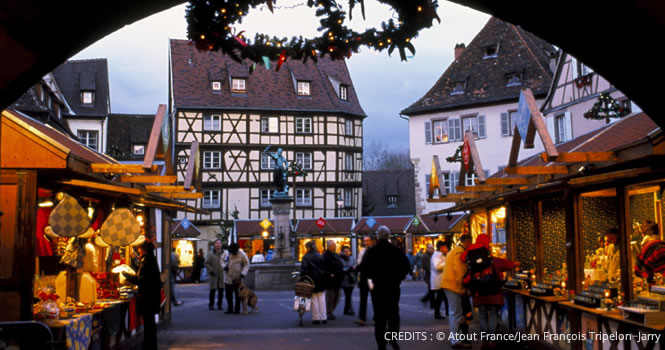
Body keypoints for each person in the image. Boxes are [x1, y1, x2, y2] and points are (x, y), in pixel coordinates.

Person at [463, 234, 519, 349]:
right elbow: (507, 264)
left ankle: (485, 341)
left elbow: (463, 262)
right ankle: (492, 341)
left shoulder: (472, 259)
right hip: (494, 292)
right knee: (493, 315)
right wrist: (515, 264)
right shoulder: (492, 260)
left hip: (480, 293)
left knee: (483, 316)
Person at [359, 225, 411, 350]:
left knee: (379, 317)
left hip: (378, 287)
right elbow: (406, 266)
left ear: (377, 236)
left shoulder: (372, 251)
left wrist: (371, 278)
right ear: (388, 236)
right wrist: (398, 278)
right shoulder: (396, 250)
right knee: (393, 314)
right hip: (393, 286)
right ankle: (393, 339)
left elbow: (364, 268)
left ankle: (381, 344)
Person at [122, 241, 161, 350]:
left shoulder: (147, 262)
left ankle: (149, 346)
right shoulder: (149, 260)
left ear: (144, 250)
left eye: (139, 248)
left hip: (148, 299)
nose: (138, 250)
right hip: (151, 298)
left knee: (149, 325)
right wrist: (134, 261)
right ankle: (150, 346)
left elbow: (141, 280)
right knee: (150, 324)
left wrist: (126, 275)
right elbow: (142, 274)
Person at [442, 234, 472, 349]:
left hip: (449, 284)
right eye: (470, 242)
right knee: (456, 313)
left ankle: (455, 338)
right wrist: (461, 288)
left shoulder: (455, 250)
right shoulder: (459, 252)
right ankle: (455, 340)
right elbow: (460, 271)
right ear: (467, 242)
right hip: (453, 285)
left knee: (454, 312)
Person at [301, 241, 327, 324]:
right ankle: (324, 317)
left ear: (308, 247)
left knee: (314, 299)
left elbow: (304, 269)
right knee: (322, 298)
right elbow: (324, 266)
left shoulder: (306, 257)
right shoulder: (319, 255)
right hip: (321, 279)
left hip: (311, 279)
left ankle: (316, 318)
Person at [354, 234, 376, 326]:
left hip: (372, 278)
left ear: (372, 241)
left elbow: (364, 264)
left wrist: (356, 268)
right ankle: (362, 318)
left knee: (375, 299)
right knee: (363, 299)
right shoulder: (363, 251)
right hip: (363, 278)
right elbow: (359, 262)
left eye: (367, 241)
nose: (365, 242)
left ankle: (377, 318)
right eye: (364, 241)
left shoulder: (375, 250)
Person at [222, 243, 250, 314]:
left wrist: (243, 273)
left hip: (238, 278)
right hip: (228, 277)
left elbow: (247, 263)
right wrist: (224, 266)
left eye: (234, 252)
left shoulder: (242, 254)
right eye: (232, 252)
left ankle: (237, 309)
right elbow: (221, 260)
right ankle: (230, 308)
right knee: (228, 295)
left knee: (238, 295)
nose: (233, 253)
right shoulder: (226, 253)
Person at [323, 240, 343, 320]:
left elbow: (339, 264)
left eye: (335, 245)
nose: (335, 246)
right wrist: (330, 274)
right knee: (330, 296)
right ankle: (328, 311)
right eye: (334, 245)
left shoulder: (336, 254)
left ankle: (331, 310)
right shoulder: (326, 255)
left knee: (337, 296)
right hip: (330, 280)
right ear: (329, 246)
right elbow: (324, 267)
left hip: (337, 279)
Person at [430, 240, 449, 319]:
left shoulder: (442, 254)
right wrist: (447, 263)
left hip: (442, 280)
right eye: (445, 247)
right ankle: (437, 313)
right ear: (441, 247)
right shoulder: (436, 256)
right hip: (438, 280)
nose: (446, 248)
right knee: (440, 298)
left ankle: (446, 312)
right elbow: (437, 266)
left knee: (444, 297)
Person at [205, 240, 225, 310]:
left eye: (219, 243)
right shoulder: (210, 254)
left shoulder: (224, 253)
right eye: (216, 243)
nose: (218, 245)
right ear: (214, 245)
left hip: (222, 275)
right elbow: (206, 263)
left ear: (221, 245)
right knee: (212, 290)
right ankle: (211, 305)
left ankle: (219, 305)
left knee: (221, 291)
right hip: (213, 274)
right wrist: (210, 270)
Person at [340, 245, 356, 316]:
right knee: (348, 295)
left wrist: (352, 268)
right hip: (345, 279)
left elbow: (354, 266)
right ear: (342, 252)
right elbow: (342, 268)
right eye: (345, 251)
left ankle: (347, 309)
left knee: (349, 295)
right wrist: (349, 268)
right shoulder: (341, 259)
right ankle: (348, 309)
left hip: (351, 278)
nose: (347, 252)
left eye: (348, 251)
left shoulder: (352, 258)